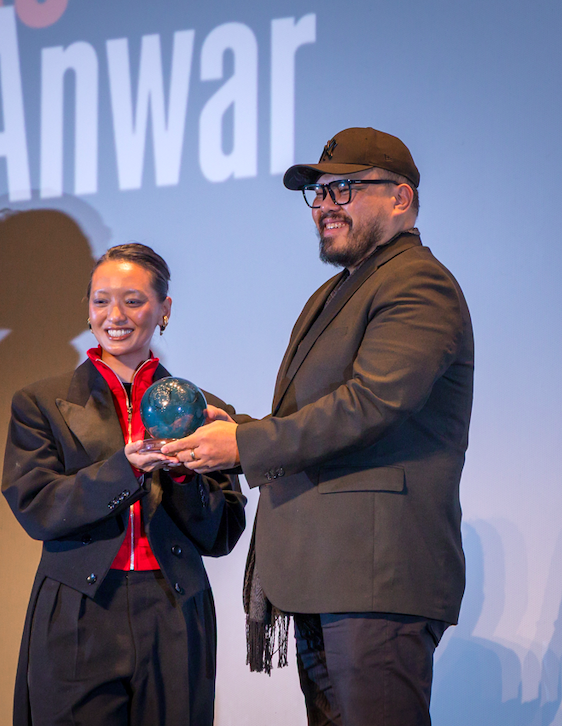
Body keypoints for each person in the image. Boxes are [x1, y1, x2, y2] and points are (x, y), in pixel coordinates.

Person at [162, 127, 474, 725]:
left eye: (344, 189)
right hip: (330, 575)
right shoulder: (338, 291)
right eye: (319, 193)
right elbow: (314, 419)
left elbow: (369, 405)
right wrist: (237, 430)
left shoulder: (417, 282)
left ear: (401, 197)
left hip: (372, 578)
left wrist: (245, 444)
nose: (324, 206)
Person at [2, 243, 247, 726]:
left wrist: (183, 471)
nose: (115, 316)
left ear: (163, 309)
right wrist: (126, 469)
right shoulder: (40, 404)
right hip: (79, 608)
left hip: (174, 609)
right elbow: (38, 506)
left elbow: (220, 534)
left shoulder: (206, 412)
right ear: (88, 308)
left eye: (133, 301)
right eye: (101, 301)